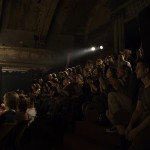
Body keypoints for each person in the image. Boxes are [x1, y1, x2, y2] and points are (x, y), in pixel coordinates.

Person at [125, 59, 150, 150]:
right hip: (142, 122)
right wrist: (130, 124)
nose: (135, 71)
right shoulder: (141, 89)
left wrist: (136, 130)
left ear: (146, 70)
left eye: (138, 68)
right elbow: (137, 110)